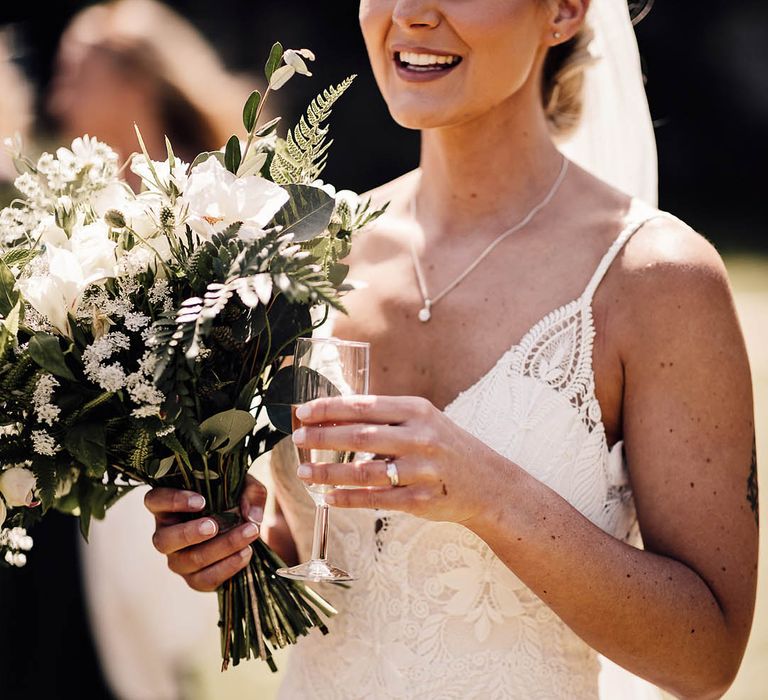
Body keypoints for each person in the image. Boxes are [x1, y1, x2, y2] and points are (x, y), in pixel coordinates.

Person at [144, 1, 758, 698]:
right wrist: (240, 542)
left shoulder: (656, 279)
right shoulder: (309, 253)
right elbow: (333, 552)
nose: (409, 13)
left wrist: (490, 493)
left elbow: (708, 657)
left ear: (563, 12)